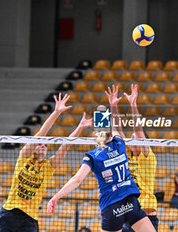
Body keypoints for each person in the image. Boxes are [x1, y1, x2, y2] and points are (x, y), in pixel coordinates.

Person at [47, 85, 156, 232]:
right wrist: (113, 106)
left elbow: (77, 180)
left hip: (111, 207)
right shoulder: (120, 145)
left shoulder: (92, 156)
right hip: (130, 204)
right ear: (111, 135)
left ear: (95, 137)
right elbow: (117, 127)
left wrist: (56, 197)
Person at [0, 93, 92, 232]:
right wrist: (56, 112)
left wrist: (80, 127)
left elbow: (65, 146)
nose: (44, 145)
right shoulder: (24, 157)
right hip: (9, 213)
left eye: (45, 145)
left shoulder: (48, 166)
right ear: (33, 147)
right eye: (40, 144)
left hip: (29, 219)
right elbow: (41, 134)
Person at [111, 84, 158, 232]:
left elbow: (138, 130)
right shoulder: (127, 154)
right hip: (129, 211)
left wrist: (133, 105)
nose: (132, 140)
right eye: (130, 138)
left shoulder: (147, 156)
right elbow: (118, 130)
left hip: (146, 213)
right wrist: (113, 106)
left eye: (135, 138)